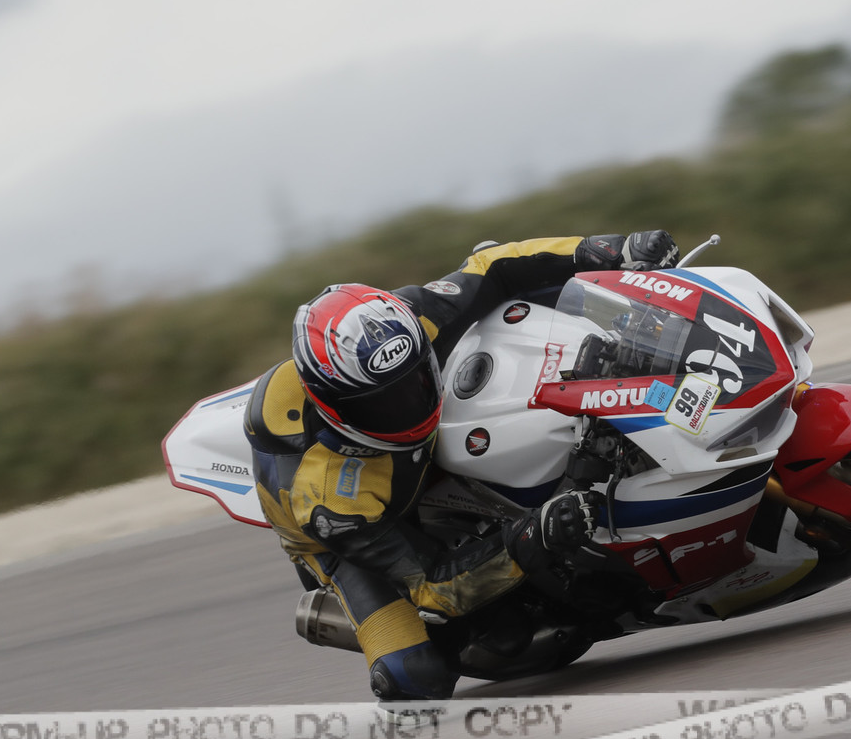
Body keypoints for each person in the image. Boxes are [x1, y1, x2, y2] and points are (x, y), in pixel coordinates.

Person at [244, 231, 680, 701]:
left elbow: (491, 267)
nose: (407, 405)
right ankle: (357, 612)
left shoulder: (406, 322)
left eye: (413, 380)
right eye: (382, 404)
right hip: (357, 533)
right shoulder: (331, 500)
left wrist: (608, 250)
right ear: (333, 407)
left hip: (408, 457)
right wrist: (535, 535)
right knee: (416, 678)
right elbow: (433, 581)